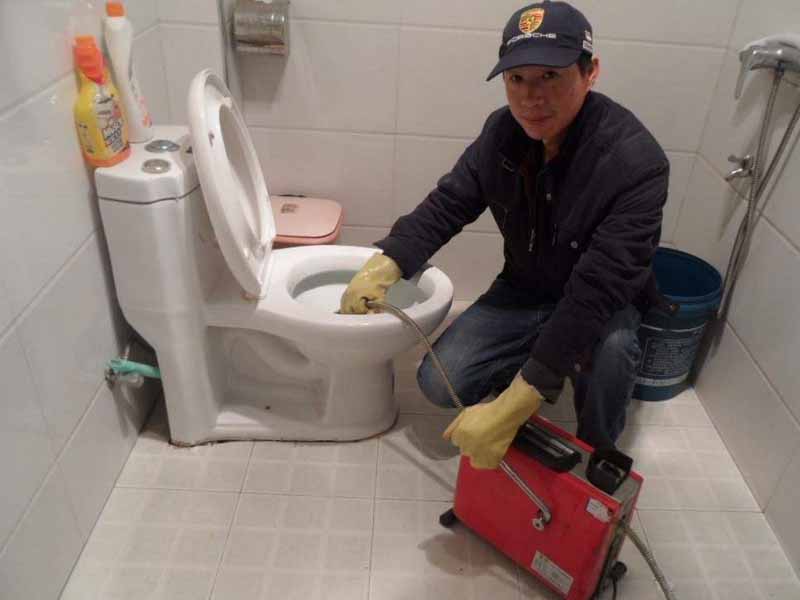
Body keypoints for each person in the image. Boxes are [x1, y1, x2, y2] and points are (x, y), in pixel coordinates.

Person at [340, 1, 669, 469]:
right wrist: (387, 262)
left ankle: (598, 451)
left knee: (612, 353)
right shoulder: (503, 133)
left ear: (590, 72)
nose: (530, 98)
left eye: (550, 76)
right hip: (524, 289)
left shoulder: (636, 162)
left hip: (602, 302)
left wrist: (519, 401)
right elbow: (449, 203)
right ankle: (531, 365)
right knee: (439, 382)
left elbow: (597, 289)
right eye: (517, 78)